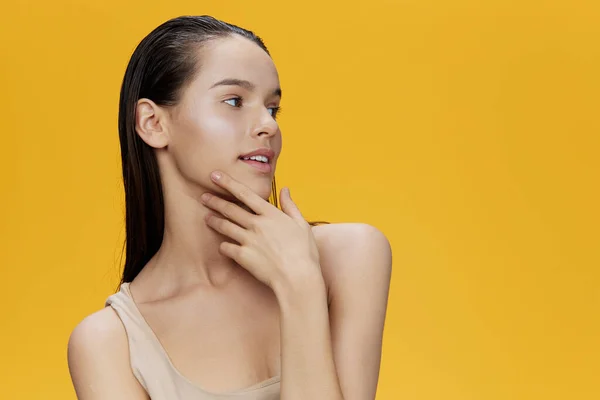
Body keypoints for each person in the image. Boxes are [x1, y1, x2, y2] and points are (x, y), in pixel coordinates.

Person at [67, 15, 393, 400]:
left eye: (273, 108)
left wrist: (301, 287)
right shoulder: (110, 343)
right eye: (235, 101)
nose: (268, 126)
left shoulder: (349, 257)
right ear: (153, 123)